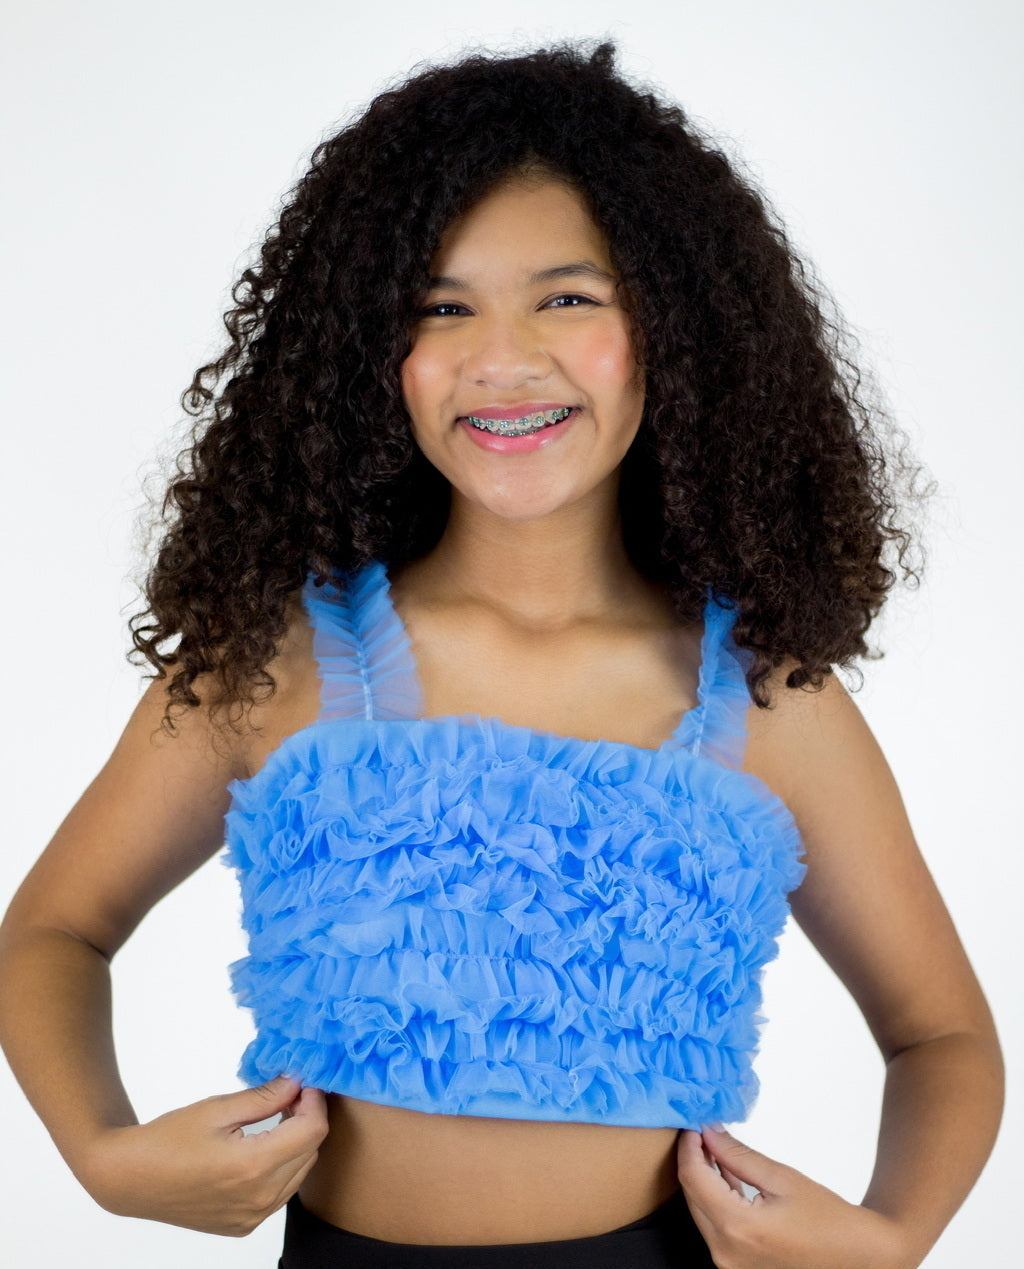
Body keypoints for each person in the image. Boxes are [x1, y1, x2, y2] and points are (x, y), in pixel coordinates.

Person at [0, 38, 1003, 1269]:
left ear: (673, 328)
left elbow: (942, 1036)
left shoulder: (765, 698)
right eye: (441, 306)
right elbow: (54, 929)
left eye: (567, 298)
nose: (501, 357)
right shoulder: (271, 662)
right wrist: (101, 1154)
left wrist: (892, 1239)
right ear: (372, 349)